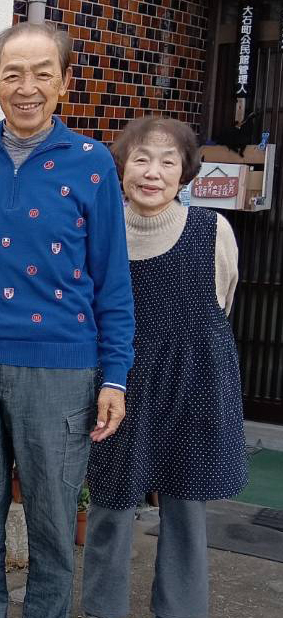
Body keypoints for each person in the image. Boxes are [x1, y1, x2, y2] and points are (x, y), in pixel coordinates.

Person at [0, 22, 135, 618]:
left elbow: (111, 283)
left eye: (43, 73)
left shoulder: (92, 162)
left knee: (51, 521)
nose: (27, 86)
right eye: (12, 74)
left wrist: (115, 377)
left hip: (62, 368)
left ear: (65, 83)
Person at [82, 116, 247, 618]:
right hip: (119, 385)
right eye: (141, 159)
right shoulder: (99, 231)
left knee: (186, 507)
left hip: (195, 381)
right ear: (122, 168)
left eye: (167, 162)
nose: (152, 173)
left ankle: (181, 609)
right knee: (110, 505)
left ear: (185, 173)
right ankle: (101, 608)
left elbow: (223, 300)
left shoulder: (212, 230)